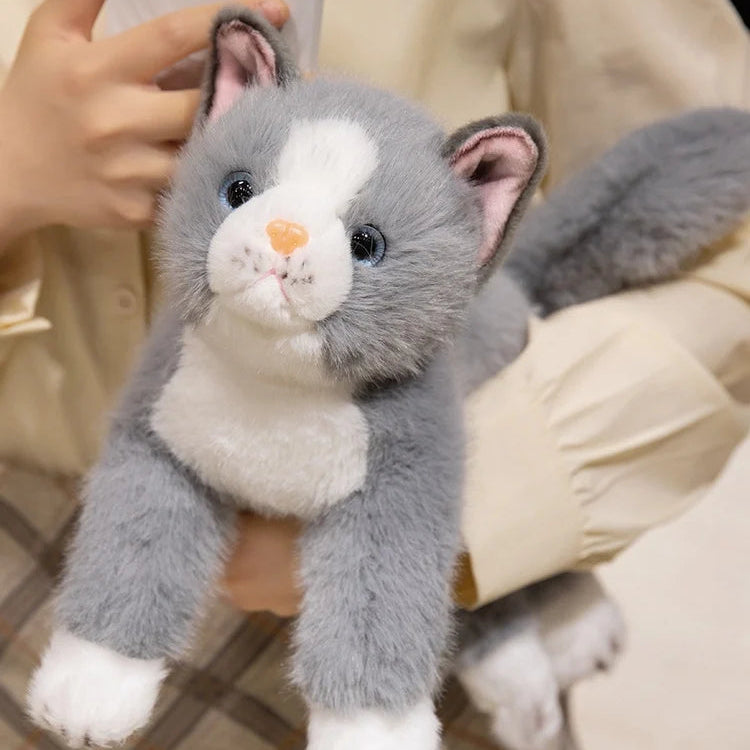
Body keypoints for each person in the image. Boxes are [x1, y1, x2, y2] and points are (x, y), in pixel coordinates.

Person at [0, 0, 748, 747]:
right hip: (29, 546)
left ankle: (482, 636)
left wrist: (497, 509)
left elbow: (732, 277)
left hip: (399, 566)